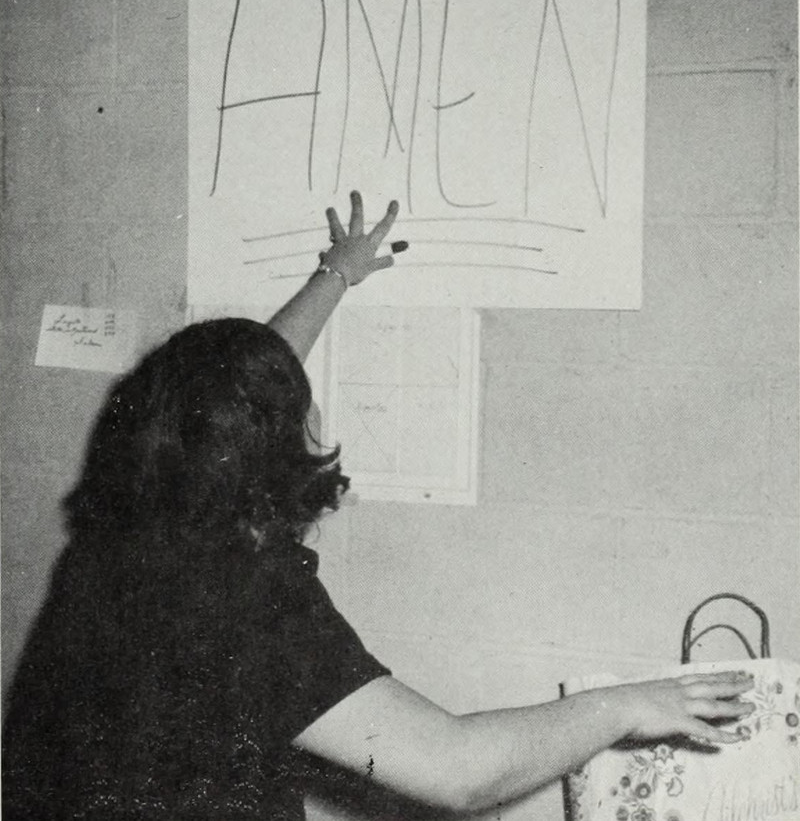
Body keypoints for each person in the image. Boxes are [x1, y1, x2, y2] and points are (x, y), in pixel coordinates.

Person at [2, 191, 755, 820]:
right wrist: (625, 707)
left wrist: (336, 274)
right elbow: (458, 771)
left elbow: (235, 395)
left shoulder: (115, 543)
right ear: (273, 451)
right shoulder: (251, 602)